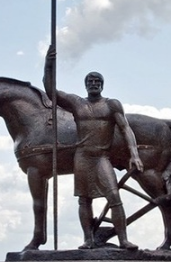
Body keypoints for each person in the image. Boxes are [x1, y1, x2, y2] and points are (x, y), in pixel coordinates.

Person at [43, 46, 142, 250]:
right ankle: (88, 239)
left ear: (102, 85)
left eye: (97, 82)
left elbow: (125, 128)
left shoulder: (112, 104)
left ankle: (123, 240)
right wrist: (48, 63)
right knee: (84, 200)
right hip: (83, 157)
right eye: (90, 82)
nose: (93, 84)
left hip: (101, 158)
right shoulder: (77, 103)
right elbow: (50, 90)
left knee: (114, 196)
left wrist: (134, 154)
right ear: (86, 85)